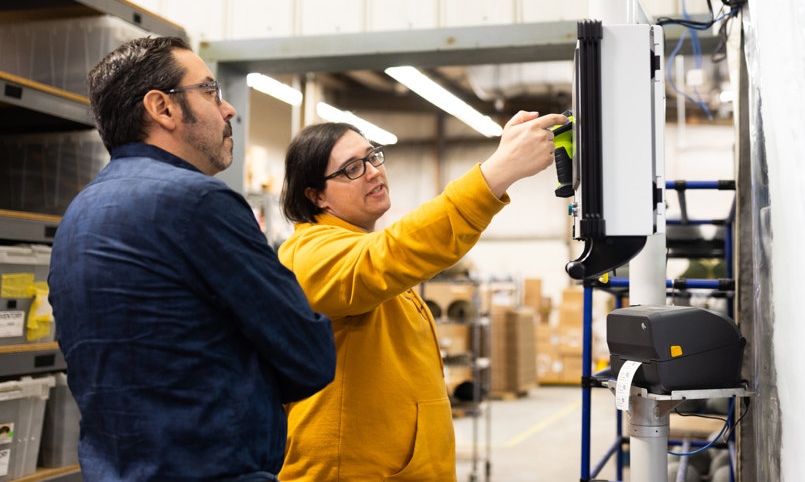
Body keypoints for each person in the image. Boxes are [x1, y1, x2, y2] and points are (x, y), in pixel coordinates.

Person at [47, 36, 336, 482]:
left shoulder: (79, 214)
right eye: (210, 91)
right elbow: (309, 356)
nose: (229, 109)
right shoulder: (199, 202)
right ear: (162, 108)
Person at [277, 110, 565, 481]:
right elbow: (392, 253)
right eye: (352, 169)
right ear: (316, 196)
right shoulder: (309, 254)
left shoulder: (354, 245)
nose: (373, 171)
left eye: (371, 156)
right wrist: (497, 172)